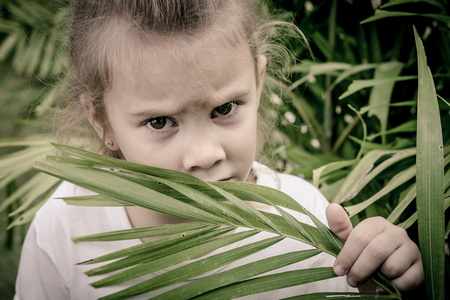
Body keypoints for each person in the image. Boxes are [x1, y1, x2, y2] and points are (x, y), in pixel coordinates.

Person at [14, 0, 424, 299]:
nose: (204, 154)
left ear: (258, 83)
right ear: (101, 120)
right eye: (160, 122)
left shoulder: (306, 221)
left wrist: (376, 284)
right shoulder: (66, 228)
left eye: (224, 108)